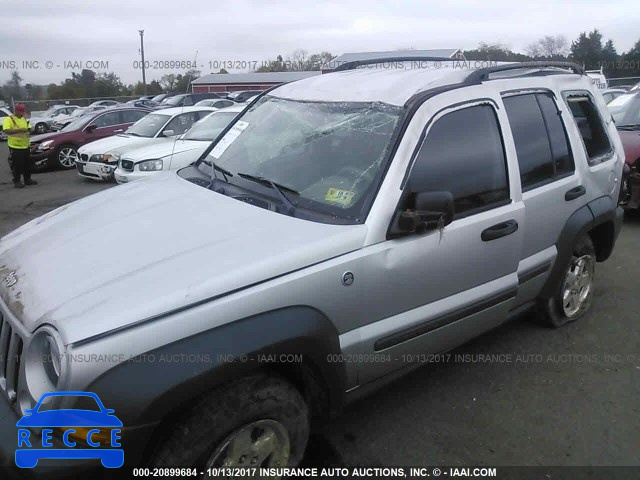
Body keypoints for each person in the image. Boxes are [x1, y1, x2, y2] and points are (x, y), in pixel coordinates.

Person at [3, 103, 37, 188]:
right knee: (18, 165)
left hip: (25, 145)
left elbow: (28, 128)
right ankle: (17, 181)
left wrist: (31, 129)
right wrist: (20, 130)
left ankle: (27, 179)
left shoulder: (24, 119)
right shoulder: (9, 119)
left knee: (27, 164)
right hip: (15, 146)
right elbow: (6, 130)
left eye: (23, 112)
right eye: (21, 112)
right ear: (16, 111)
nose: (22, 114)